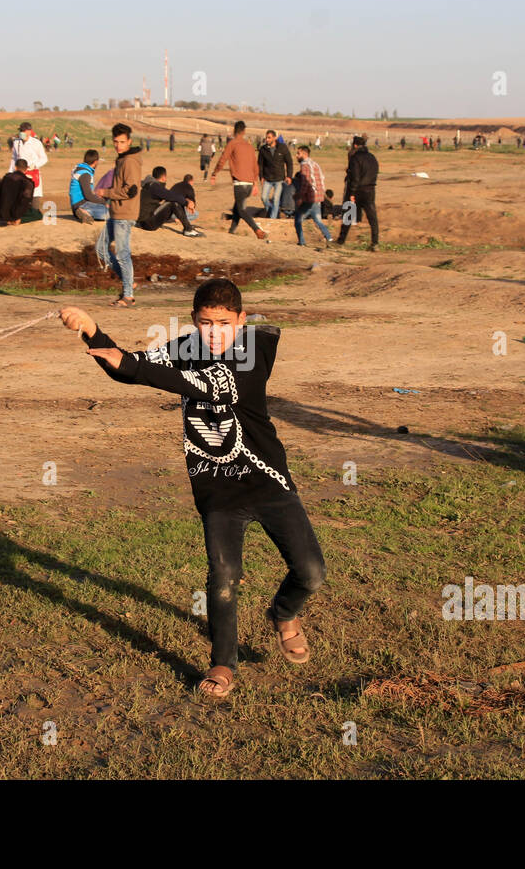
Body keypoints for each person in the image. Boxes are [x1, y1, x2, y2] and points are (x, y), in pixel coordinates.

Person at [58, 278, 326, 698]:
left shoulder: (257, 347)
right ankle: (222, 664)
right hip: (215, 485)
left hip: (267, 479)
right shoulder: (185, 349)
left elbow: (215, 388)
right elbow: (124, 366)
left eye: (223, 322)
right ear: (194, 321)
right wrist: (92, 330)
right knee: (224, 576)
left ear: (240, 320)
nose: (215, 332)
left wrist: (134, 366)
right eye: (205, 323)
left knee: (310, 572)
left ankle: (283, 612)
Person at [99, 123, 143, 307]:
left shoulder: (130, 161)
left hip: (125, 213)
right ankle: (128, 282)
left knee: (122, 254)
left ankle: (128, 295)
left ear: (129, 141)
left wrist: (107, 192)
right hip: (116, 212)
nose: (118, 145)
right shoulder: (122, 159)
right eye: (116, 142)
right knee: (101, 249)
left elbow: (131, 191)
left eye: (122, 142)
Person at [208, 120, 266, 240]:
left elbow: (223, 159)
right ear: (244, 132)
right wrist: (255, 184)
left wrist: (214, 173)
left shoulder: (232, 144)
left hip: (240, 183)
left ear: (234, 131)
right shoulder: (249, 146)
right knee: (237, 208)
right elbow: (255, 166)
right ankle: (231, 231)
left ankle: (257, 230)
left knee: (241, 209)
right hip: (249, 184)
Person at [337, 135, 379, 250]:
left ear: (355, 145)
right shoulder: (372, 157)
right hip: (370, 189)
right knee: (372, 218)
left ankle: (340, 241)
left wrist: (352, 193)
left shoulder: (355, 158)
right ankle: (375, 243)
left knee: (348, 216)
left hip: (357, 190)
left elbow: (355, 177)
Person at [137, 166, 200, 236]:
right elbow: (172, 196)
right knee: (174, 202)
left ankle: (186, 226)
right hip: (148, 223)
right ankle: (188, 229)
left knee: (173, 201)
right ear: (164, 177)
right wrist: (187, 202)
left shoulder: (149, 185)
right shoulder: (154, 186)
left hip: (143, 221)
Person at [291, 146, 332, 248]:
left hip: (309, 198)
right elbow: (321, 179)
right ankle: (329, 238)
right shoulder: (315, 164)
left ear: (304, 154)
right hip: (318, 197)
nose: (296, 156)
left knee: (298, 219)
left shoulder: (305, 166)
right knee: (318, 221)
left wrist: (300, 197)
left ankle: (302, 241)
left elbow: (305, 183)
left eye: (298, 153)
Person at [257, 130, 295, 220]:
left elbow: (289, 162)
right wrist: (261, 177)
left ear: (274, 138)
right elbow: (260, 164)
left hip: (279, 179)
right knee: (264, 197)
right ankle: (272, 210)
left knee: (276, 199)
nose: (267, 139)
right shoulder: (263, 149)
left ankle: (273, 219)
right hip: (267, 179)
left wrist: (289, 176)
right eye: (266, 137)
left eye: (269, 137)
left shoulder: (282, 148)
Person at [10, 122, 49, 197]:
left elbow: (44, 158)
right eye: (21, 130)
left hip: (32, 173)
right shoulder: (16, 142)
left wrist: (34, 165)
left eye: (23, 131)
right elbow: (14, 159)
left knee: (34, 197)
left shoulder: (36, 143)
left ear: (29, 131)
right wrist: (11, 172)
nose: (22, 133)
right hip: (20, 174)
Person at [69, 149, 108, 223]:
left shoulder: (81, 170)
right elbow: (88, 195)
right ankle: (84, 212)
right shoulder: (85, 174)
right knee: (110, 213)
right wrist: (103, 202)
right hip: (82, 204)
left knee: (106, 208)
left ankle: (85, 213)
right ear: (96, 161)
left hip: (78, 204)